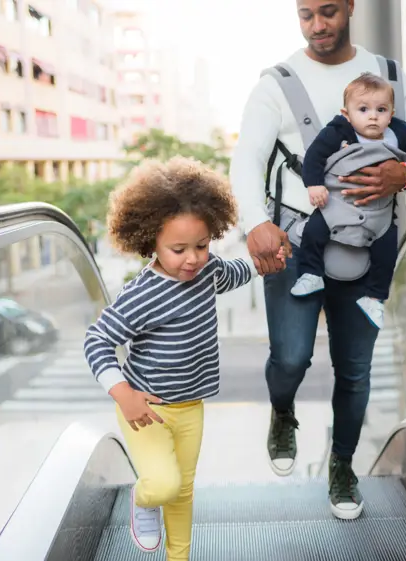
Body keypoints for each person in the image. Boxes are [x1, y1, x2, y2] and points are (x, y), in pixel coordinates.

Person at [229, 0, 406, 520]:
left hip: (369, 239)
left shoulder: (388, 75)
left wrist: (405, 177)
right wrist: (255, 223)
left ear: (350, 8)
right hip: (297, 239)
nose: (317, 25)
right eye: (305, 14)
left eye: (328, 12)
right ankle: (282, 411)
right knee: (291, 356)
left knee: (355, 369)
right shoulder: (277, 81)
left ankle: (342, 469)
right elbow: (245, 161)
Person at [83, 156, 280, 560]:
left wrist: (264, 265)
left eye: (202, 245)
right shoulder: (143, 294)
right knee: (162, 485)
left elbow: (234, 274)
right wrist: (122, 393)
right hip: (146, 410)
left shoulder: (206, 271)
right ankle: (142, 501)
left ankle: (179, 556)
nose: (192, 258)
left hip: (192, 407)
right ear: (149, 239)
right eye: (178, 249)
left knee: (183, 491)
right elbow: (98, 340)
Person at [291, 72, 406, 329]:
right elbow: (314, 156)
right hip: (336, 202)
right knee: (314, 231)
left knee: (387, 247)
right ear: (347, 113)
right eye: (363, 109)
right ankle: (311, 273)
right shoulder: (337, 132)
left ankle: (375, 297)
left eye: (381, 109)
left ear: (391, 114)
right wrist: (314, 185)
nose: (373, 116)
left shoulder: (399, 134)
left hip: (378, 210)